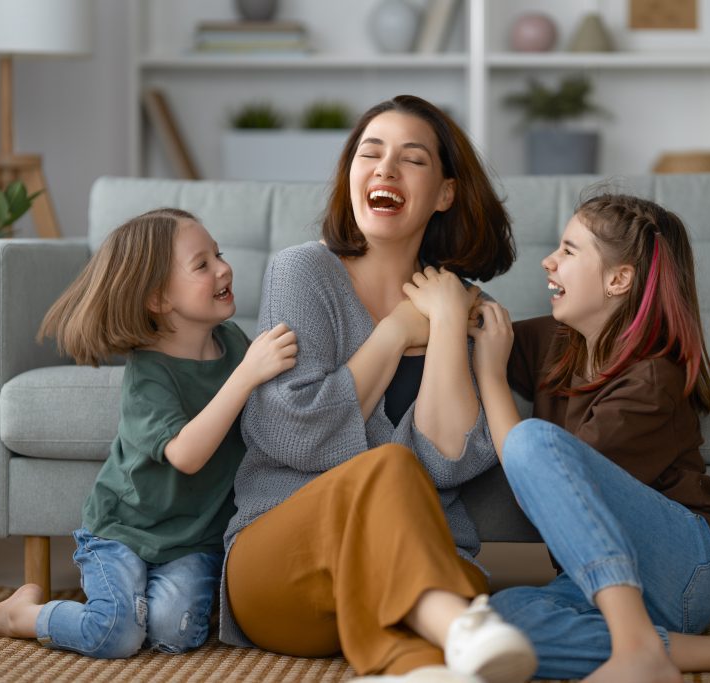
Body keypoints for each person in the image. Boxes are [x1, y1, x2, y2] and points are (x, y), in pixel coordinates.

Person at [220, 95, 537, 683]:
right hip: (279, 569)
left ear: (444, 193)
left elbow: (448, 463)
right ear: (351, 175)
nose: (386, 169)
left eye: (412, 159)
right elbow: (292, 431)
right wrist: (393, 334)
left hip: (408, 575)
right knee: (391, 466)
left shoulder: (464, 308)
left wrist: (444, 324)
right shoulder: (302, 272)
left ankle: (422, 660)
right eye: (370, 152)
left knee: (428, 660)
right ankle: (458, 626)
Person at [467, 193, 710, 682]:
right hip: (593, 582)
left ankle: (638, 645)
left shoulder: (653, 380)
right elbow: (478, 320)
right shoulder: (557, 344)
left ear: (619, 279)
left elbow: (539, 477)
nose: (548, 261)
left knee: (534, 441)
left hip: (684, 568)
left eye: (569, 251)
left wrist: (490, 375)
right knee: (496, 624)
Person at [0, 208, 298, 659]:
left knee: (174, 635)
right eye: (202, 264)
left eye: (218, 254)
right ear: (158, 299)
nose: (224, 267)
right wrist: (246, 375)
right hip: (123, 532)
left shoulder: (237, 346)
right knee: (117, 635)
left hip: (193, 540)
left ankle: (140, 601)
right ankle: (25, 616)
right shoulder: (150, 374)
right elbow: (186, 454)